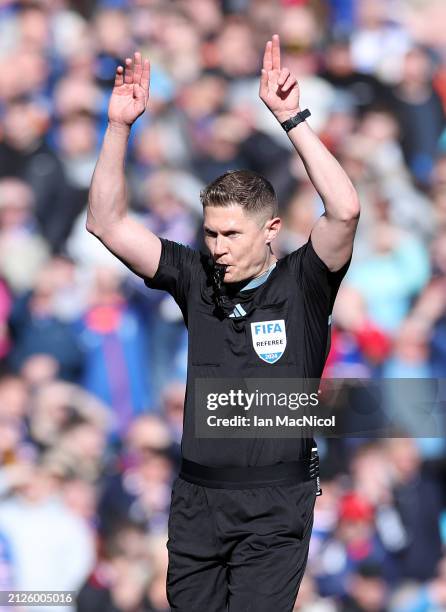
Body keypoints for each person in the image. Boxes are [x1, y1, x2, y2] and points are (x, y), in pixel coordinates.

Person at [87, 34, 360, 612]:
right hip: (196, 501)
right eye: (210, 232)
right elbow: (106, 223)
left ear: (270, 230)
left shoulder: (304, 284)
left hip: (275, 505)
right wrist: (117, 129)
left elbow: (344, 209)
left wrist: (292, 120)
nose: (217, 246)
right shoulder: (193, 277)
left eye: (231, 234)